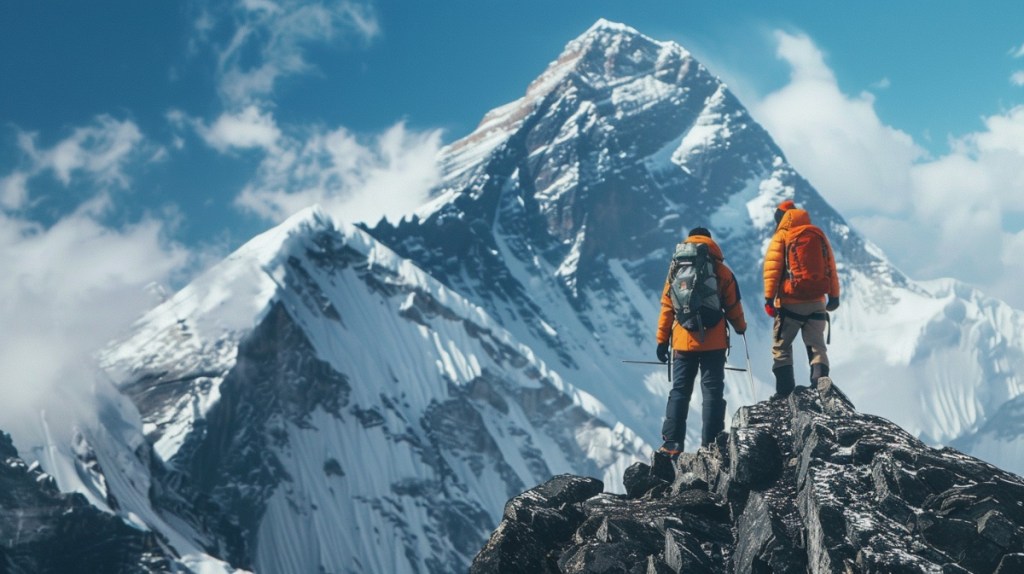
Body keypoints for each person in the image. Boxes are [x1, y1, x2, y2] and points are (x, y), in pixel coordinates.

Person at [655, 227, 747, 456]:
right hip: (713, 343)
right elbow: (733, 304)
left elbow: (668, 307)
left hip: (683, 342)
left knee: (679, 391)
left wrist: (661, 340)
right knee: (712, 392)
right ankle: (711, 444)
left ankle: (672, 443)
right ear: (709, 242)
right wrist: (740, 327)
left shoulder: (676, 269)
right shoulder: (721, 270)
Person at [762, 199, 840, 398]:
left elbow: (772, 270)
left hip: (790, 303)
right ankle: (821, 388)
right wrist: (834, 295)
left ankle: (784, 392)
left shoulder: (782, 236)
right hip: (817, 302)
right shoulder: (817, 233)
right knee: (817, 345)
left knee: (782, 347)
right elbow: (830, 266)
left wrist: (769, 299)